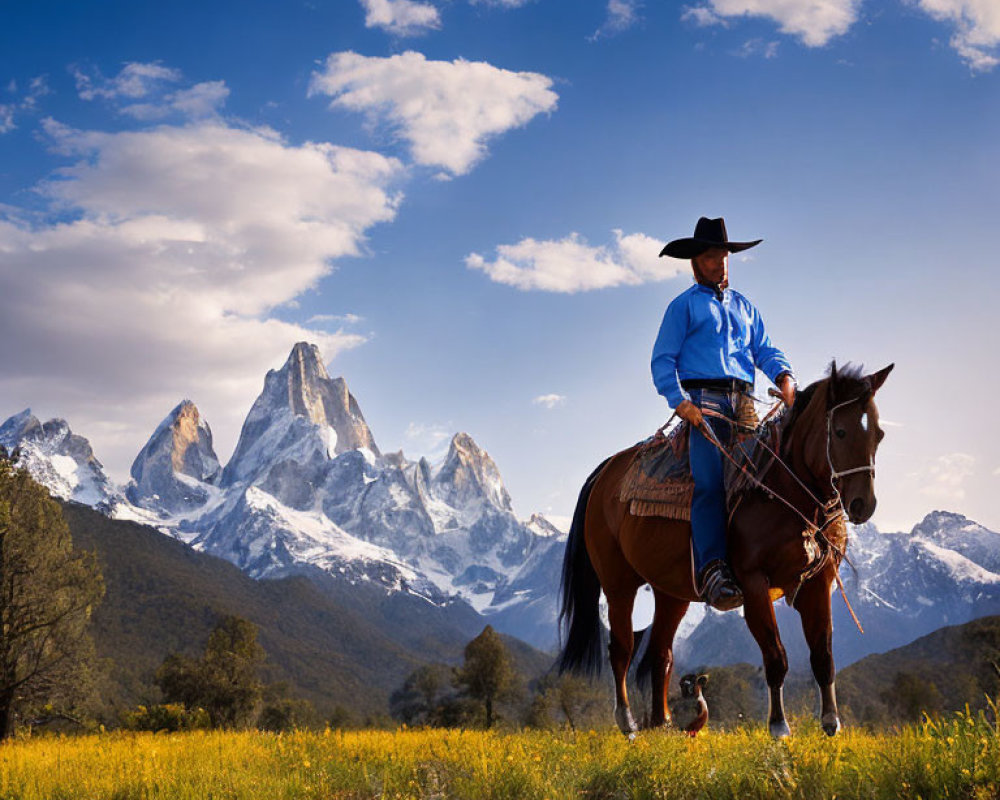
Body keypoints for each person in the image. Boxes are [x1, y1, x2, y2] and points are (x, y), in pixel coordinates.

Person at [651, 217, 796, 611]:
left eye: (725, 256)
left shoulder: (746, 307)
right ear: (696, 262)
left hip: (746, 403)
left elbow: (765, 349)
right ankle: (713, 569)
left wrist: (784, 376)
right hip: (704, 404)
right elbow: (662, 360)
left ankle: (774, 557)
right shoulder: (682, 307)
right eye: (712, 256)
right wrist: (678, 401)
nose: (721, 263)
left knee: (768, 477)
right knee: (711, 484)